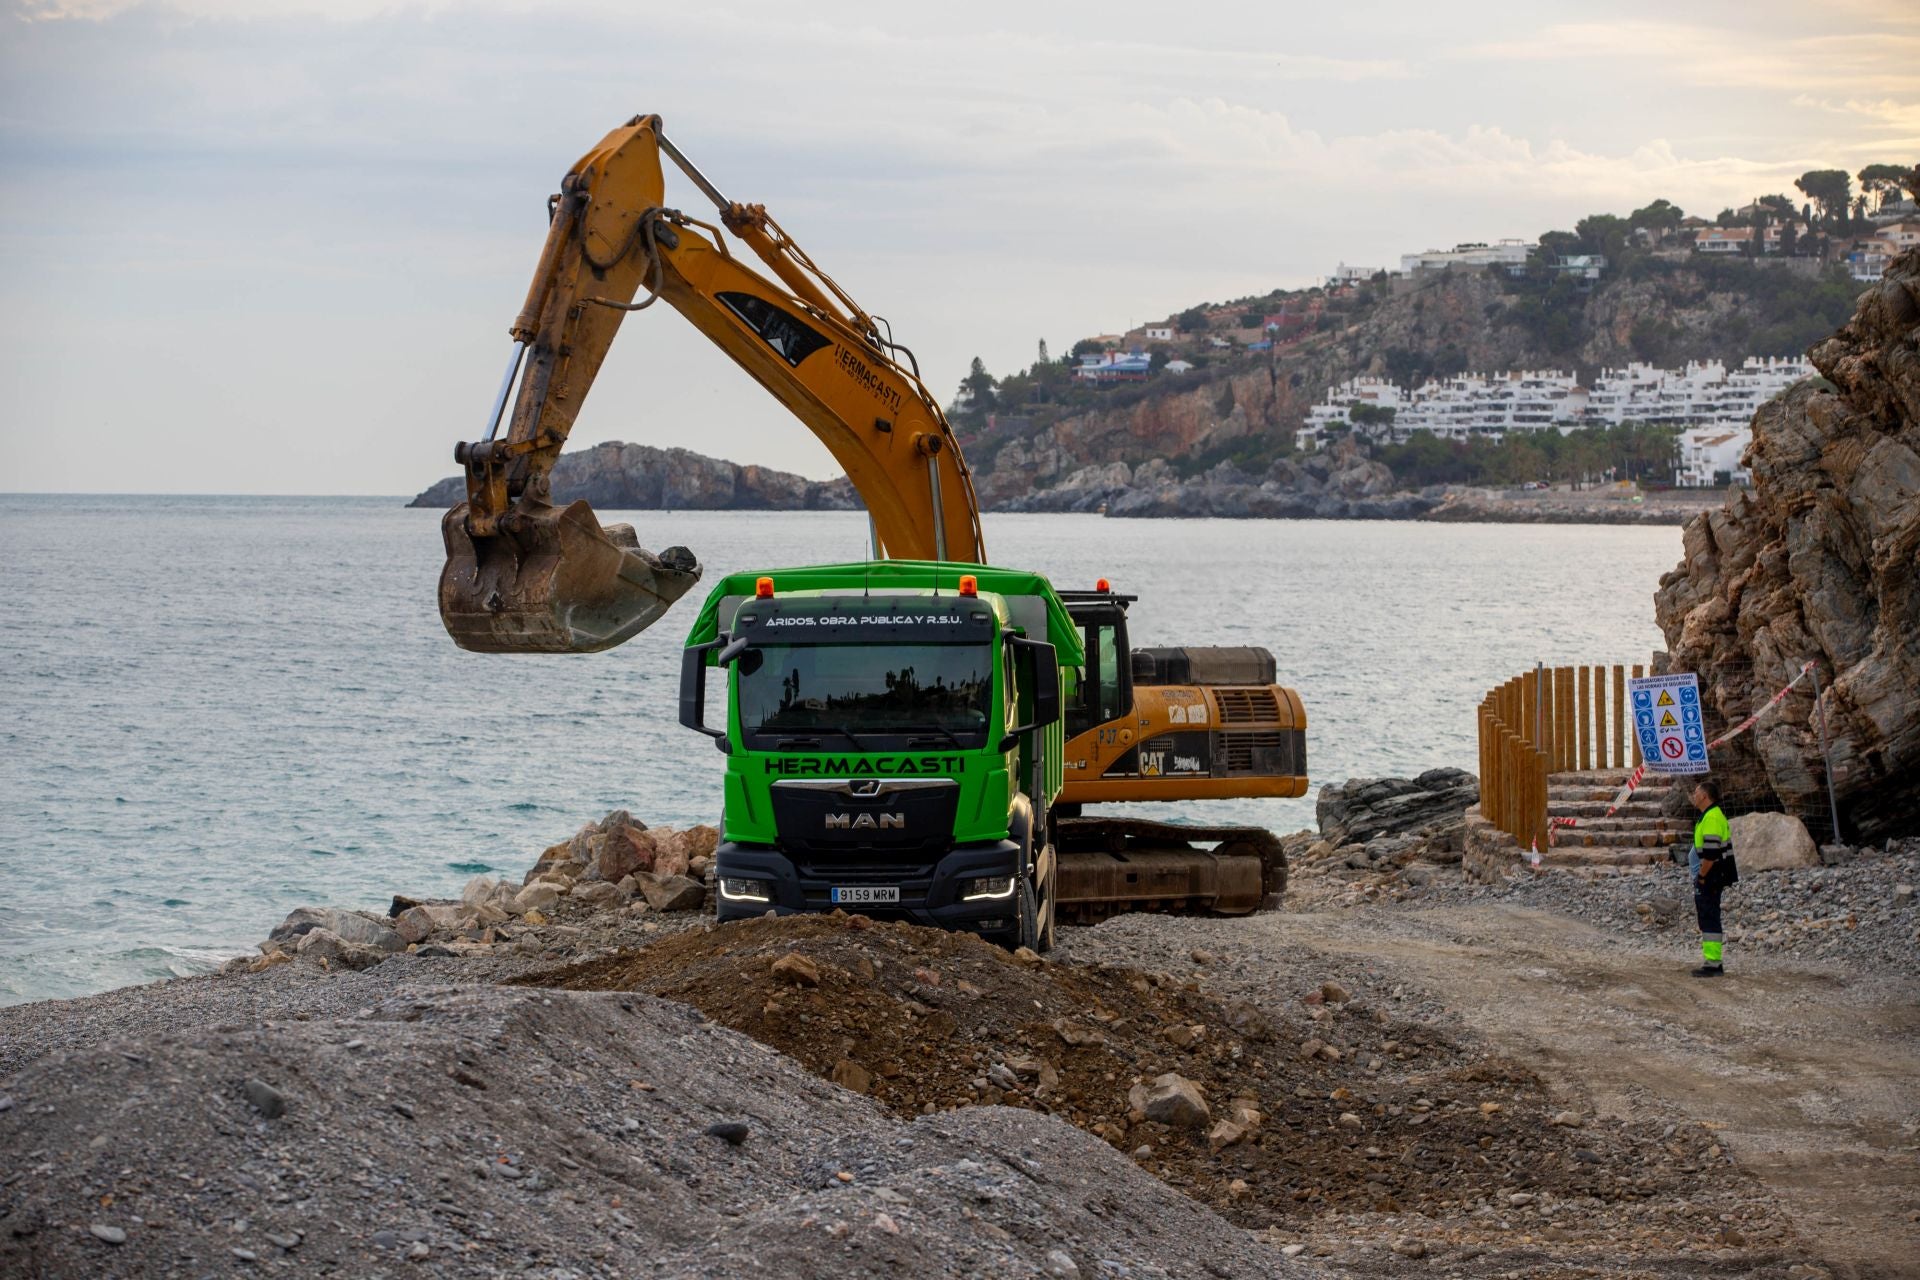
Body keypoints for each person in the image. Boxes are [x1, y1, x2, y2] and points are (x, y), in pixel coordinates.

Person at [1688, 778, 1737, 977]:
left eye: (1696, 792)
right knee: (1707, 916)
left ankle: (1713, 963)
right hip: (1711, 875)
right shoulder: (1708, 815)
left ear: (1705, 796)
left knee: (1709, 917)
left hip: (1710, 876)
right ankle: (1712, 961)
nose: (1694, 795)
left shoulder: (1712, 818)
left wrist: (1701, 875)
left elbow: (1711, 853)